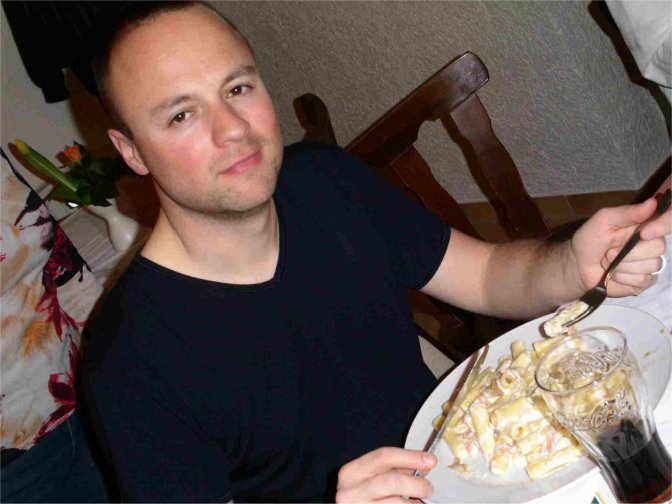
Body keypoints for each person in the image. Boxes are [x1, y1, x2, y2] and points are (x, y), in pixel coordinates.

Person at [83, 1, 671, 502]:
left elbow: (486, 274)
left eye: (238, 88)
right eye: (182, 115)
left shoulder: (324, 180)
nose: (232, 128)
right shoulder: (129, 365)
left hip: (481, 470)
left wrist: (572, 264)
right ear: (131, 150)